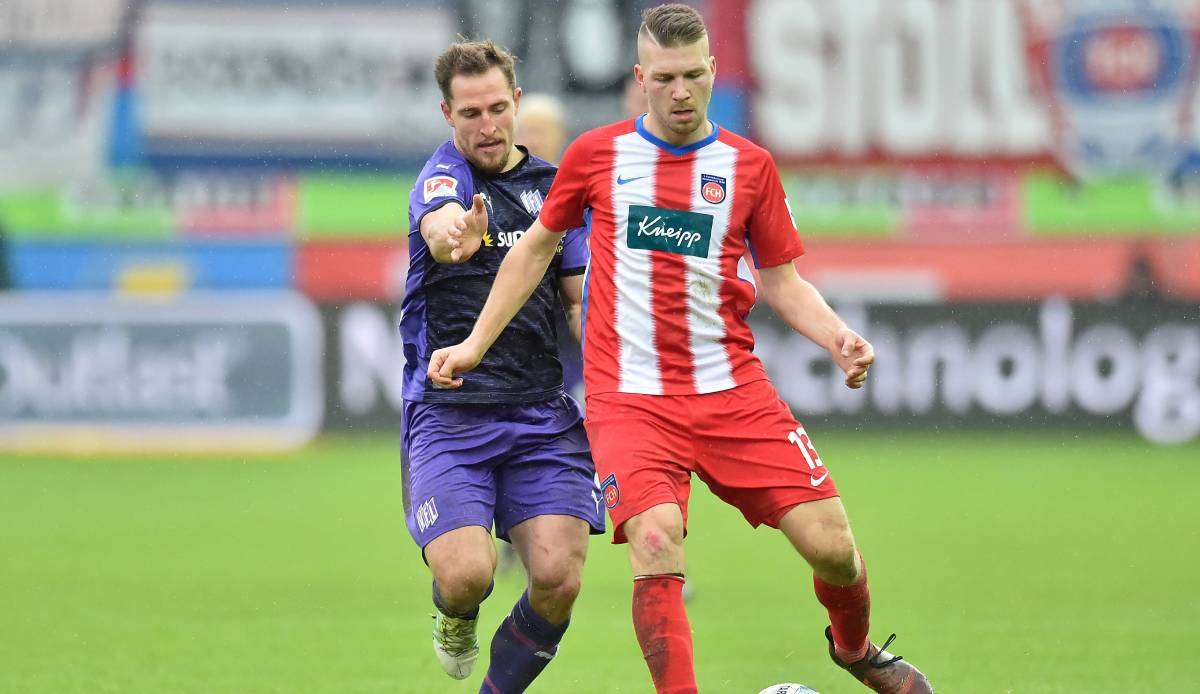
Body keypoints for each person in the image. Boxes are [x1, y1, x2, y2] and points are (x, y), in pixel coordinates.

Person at [427, 5, 933, 694]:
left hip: (733, 392)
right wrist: (475, 345)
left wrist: (835, 334)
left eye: (694, 75)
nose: (681, 91)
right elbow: (535, 252)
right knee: (656, 543)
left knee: (835, 550)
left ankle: (854, 649)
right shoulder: (597, 157)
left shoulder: (748, 168)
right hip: (630, 400)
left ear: (713, 73)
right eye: (665, 78)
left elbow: (783, 282)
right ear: (641, 79)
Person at [400, 40, 604, 693]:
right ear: (447, 115)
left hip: (541, 414)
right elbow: (441, 226)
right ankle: (454, 616)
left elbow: (578, 302)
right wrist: (454, 233)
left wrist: (614, 371)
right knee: (467, 576)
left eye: (496, 109)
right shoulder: (443, 178)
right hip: (450, 416)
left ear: (515, 103)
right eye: (469, 114)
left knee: (559, 578)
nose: (485, 126)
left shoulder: (553, 189)